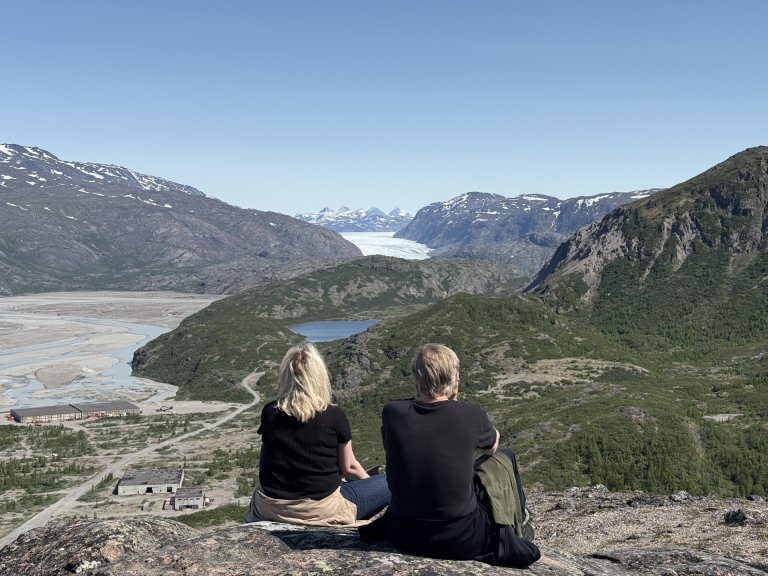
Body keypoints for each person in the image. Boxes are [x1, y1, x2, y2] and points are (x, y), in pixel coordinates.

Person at [363, 343, 540, 567]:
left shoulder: (392, 412)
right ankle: (520, 527)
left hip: (404, 534)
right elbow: (492, 447)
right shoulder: (470, 414)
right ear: (455, 378)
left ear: (416, 378)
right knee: (505, 456)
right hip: (461, 539)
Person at [245, 342, 389, 526]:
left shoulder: (270, 412)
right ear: (318, 377)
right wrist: (370, 483)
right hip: (320, 511)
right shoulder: (333, 415)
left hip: (271, 508)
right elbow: (349, 468)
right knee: (390, 482)